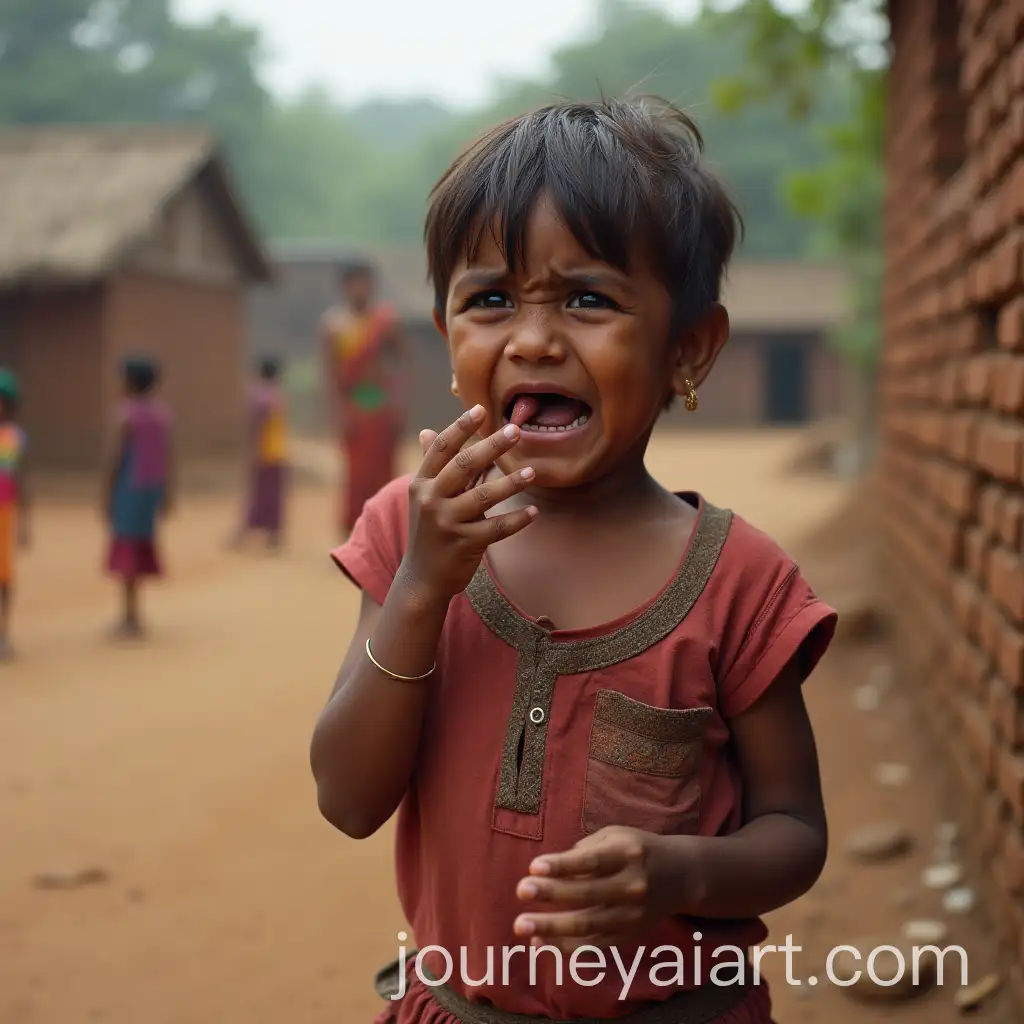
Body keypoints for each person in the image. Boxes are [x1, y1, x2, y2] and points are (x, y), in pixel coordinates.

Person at [311, 97, 838, 1024]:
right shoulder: (407, 533)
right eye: (490, 301)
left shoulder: (739, 581)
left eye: (589, 299)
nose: (533, 339)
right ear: (447, 340)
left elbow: (794, 833)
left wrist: (683, 871)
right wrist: (424, 586)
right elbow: (348, 799)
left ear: (690, 349)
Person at [321, 261, 407, 541]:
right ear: (345, 287)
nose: (360, 289)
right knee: (355, 476)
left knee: (384, 473)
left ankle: (386, 535)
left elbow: (401, 364)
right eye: (355, 283)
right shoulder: (333, 326)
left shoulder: (386, 321)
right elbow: (331, 375)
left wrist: (399, 406)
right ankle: (353, 534)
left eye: (365, 282)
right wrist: (337, 415)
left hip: (381, 405)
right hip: (353, 407)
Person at [105, 356, 173, 638]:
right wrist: (168, 492)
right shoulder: (162, 415)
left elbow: (115, 458)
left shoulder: (125, 415)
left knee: (127, 551)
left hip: (129, 489)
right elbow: (169, 457)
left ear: (130, 382)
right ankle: (135, 613)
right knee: (140, 546)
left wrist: (105, 494)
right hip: (151, 490)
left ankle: (129, 616)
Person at [232, 355, 288, 550]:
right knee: (273, 497)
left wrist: (252, 450)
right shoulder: (278, 395)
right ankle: (274, 536)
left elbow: (257, 425)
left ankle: (245, 533)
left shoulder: (259, 396)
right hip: (278, 451)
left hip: (264, 452)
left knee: (257, 494)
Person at [0, 369, 29, 660]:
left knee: (3, 574)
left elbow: (21, 480)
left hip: (4, 514)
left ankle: (3, 633)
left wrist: (26, 523)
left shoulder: (14, 438)